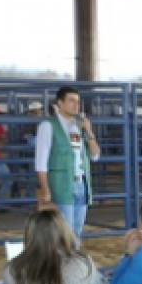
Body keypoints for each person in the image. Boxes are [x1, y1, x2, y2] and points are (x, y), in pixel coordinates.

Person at [34, 86, 100, 242]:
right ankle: (63, 264)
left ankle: (72, 264)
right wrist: (46, 190)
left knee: (76, 232)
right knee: (64, 233)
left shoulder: (79, 127)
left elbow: (95, 155)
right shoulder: (48, 126)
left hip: (81, 185)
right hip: (61, 186)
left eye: (77, 101)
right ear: (60, 103)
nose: (76, 105)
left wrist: (89, 132)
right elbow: (41, 162)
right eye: (71, 100)